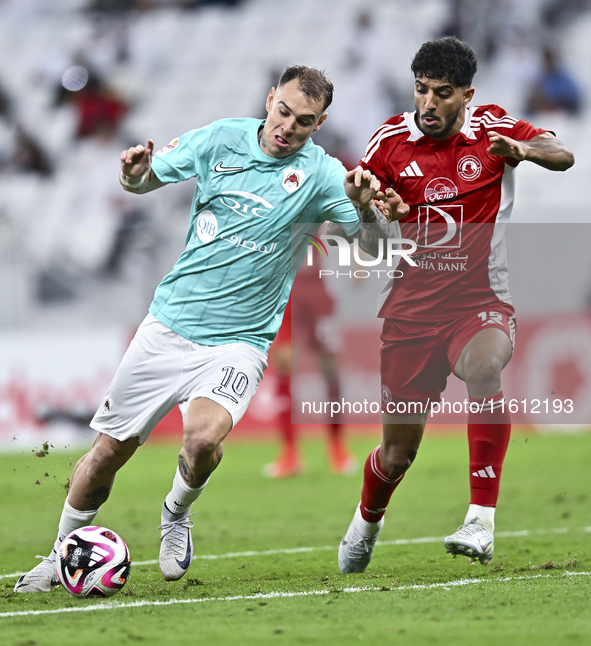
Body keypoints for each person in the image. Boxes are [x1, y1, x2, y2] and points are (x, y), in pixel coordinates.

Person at [14, 65, 391, 593]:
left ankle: (176, 512)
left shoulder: (325, 175)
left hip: (239, 343)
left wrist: (364, 206)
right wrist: (133, 172)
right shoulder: (221, 138)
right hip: (167, 326)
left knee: (203, 440)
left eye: (304, 122)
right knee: (104, 456)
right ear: (269, 100)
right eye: (283, 112)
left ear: (320, 122)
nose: (288, 127)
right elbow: (143, 180)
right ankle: (59, 555)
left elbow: (373, 247)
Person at [337, 37, 574, 573]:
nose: (428, 104)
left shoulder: (493, 128)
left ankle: (481, 520)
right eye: (421, 91)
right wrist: (367, 208)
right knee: (397, 455)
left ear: (467, 93)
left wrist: (524, 151)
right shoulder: (387, 144)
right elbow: (372, 246)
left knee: (486, 367)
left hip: (480, 300)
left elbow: (563, 154)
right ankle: (367, 521)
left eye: (442, 94)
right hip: (409, 315)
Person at [264, 265, 357, 478]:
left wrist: (359, 258)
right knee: (284, 363)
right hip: (282, 285)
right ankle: (289, 453)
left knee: (329, 366)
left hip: (318, 285)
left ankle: (337, 445)